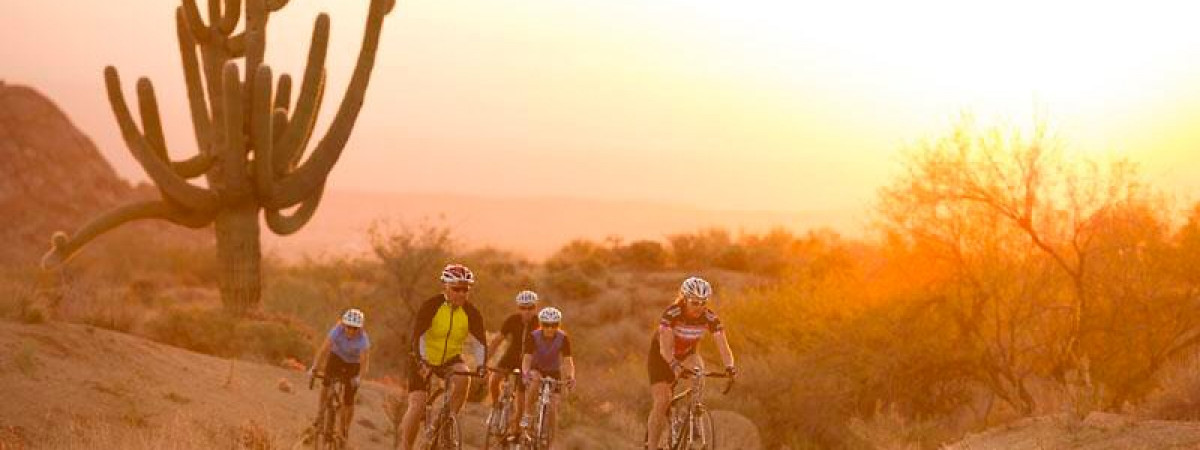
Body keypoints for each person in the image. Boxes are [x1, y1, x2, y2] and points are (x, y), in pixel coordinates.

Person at [397, 263, 489, 450]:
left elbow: (480, 343)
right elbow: (418, 336)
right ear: (445, 287)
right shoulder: (431, 306)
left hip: (450, 358)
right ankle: (406, 446)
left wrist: (481, 366)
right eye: (457, 289)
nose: (462, 293)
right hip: (422, 357)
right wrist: (422, 361)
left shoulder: (471, 312)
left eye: (466, 289)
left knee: (464, 378)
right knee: (418, 404)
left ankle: (446, 422)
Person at [644, 277, 736, 450]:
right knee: (663, 400)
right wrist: (674, 366)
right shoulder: (672, 314)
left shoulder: (709, 317)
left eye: (703, 302)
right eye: (694, 302)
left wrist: (730, 367)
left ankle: (692, 415)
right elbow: (665, 348)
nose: (699, 307)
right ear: (684, 299)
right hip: (661, 356)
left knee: (699, 373)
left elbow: (723, 345)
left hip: (687, 354)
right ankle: (652, 446)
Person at [309, 308, 371, 440]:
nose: (351, 331)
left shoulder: (363, 340)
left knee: (348, 400)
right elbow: (324, 349)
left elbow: (365, 363)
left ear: (360, 329)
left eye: (355, 328)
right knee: (326, 384)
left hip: (353, 364)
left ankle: (345, 429)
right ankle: (320, 415)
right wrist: (314, 367)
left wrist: (359, 378)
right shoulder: (337, 330)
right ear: (343, 325)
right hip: (336, 357)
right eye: (348, 327)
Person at [486, 290, 540, 439]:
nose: (527, 311)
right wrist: (484, 360)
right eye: (523, 308)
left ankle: (514, 432)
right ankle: (496, 407)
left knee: (521, 404)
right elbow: (497, 340)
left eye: (530, 308)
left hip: (528, 362)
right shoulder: (512, 320)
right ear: (518, 308)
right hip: (511, 357)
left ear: (535, 308)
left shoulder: (540, 324)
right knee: (494, 379)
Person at [520, 306, 575, 450]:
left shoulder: (563, 338)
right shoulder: (533, 336)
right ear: (541, 324)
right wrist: (525, 373)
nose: (550, 329)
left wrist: (570, 377)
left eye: (554, 325)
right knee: (536, 380)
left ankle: (551, 443)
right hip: (536, 368)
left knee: (553, 408)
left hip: (553, 372)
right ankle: (527, 415)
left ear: (559, 325)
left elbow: (568, 361)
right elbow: (526, 358)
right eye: (546, 325)